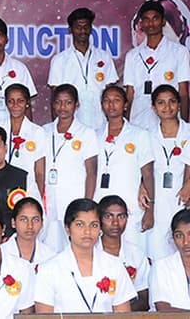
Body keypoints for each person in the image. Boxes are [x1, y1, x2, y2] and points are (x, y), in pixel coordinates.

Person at [35, 198, 136, 313]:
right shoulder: (48, 270)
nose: (87, 231)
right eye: (80, 225)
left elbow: (123, 314)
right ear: (67, 228)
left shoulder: (115, 265)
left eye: (94, 225)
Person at [94, 85, 154, 248]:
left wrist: (150, 210)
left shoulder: (139, 135)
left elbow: (148, 174)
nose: (111, 104)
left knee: (132, 254)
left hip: (130, 206)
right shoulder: (94, 135)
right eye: (106, 100)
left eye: (117, 100)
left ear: (126, 105)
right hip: (100, 204)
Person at [42, 84, 98, 251]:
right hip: (49, 200)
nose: (63, 107)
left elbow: (92, 172)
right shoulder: (44, 131)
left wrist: (87, 204)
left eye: (68, 102)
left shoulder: (86, 133)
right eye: (58, 102)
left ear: (76, 104)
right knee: (49, 247)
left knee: (75, 247)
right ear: (53, 104)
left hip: (74, 197)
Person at [47, 8, 119, 130]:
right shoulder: (59, 60)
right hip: (71, 126)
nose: (82, 31)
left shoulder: (104, 57)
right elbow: (55, 97)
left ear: (91, 28)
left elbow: (111, 93)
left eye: (86, 27)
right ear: (70, 30)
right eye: (78, 27)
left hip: (101, 124)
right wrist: (58, 130)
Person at [124, 0, 190, 129]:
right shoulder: (132, 55)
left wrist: (184, 127)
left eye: (155, 18)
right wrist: (126, 126)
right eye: (146, 19)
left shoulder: (179, 52)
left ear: (163, 21)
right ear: (141, 24)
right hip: (138, 121)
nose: (151, 24)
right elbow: (130, 95)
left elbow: (183, 92)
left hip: (169, 121)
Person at [146, 84, 190, 260]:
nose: (167, 107)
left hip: (183, 196)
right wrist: (142, 186)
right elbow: (144, 168)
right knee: (158, 252)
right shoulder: (148, 135)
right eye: (161, 103)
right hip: (158, 200)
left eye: (172, 101)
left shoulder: (188, 132)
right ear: (154, 107)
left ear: (179, 104)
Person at [98, 195, 150, 311]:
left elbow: (144, 299)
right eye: (108, 216)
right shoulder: (90, 252)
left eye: (121, 216)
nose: (115, 222)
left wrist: (119, 312)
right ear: (99, 219)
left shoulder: (136, 254)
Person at [3, 83, 47, 201]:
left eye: (20, 101)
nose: (15, 105)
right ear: (6, 103)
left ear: (27, 103)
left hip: (28, 188)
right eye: (11, 101)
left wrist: (38, 197)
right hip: (1, 186)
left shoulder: (37, 132)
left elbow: (39, 171)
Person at [150, 208, 190, 311]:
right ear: (173, 238)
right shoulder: (161, 267)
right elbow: (163, 309)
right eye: (179, 236)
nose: (186, 242)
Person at [1, 197, 56, 268]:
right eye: (24, 220)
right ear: (13, 222)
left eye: (35, 220)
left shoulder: (51, 256)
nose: (30, 225)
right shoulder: (0, 253)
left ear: (42, 223)